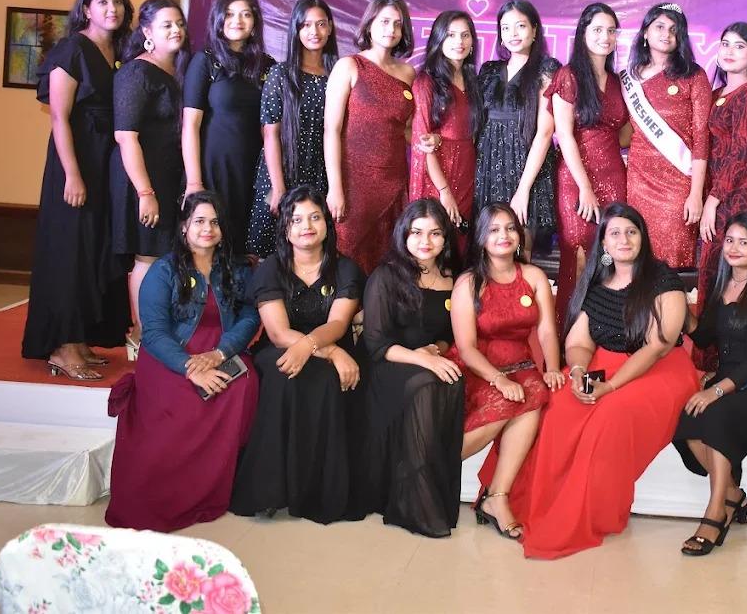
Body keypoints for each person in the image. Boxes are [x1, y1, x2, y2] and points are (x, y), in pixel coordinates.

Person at [509, 203, 699, 559]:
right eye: (615, 233)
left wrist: (609, 387)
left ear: (643, 237)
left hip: (661, 371)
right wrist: (578, 372)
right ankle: (546, 504)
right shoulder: (597, 286)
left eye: (631, 232)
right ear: (604, 244)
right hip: (605, 365)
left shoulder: (663, 280)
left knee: (609, 416)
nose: (624, 239)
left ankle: (593, 514)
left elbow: (657, 346)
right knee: (559, 406)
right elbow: (578, 343)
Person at [105, 191, 260, 532]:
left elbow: (250, 315)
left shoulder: (236, 269)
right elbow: (154, 332)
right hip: (171, 355)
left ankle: (216, 487)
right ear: (184, 226)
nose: (208, 229)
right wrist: (190, 368)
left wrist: (221, 353)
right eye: (200, 221)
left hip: (220, 348)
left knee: (242, 384)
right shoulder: (162, 271)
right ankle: (171, 494)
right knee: (182, 397)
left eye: (215, 222)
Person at [230, 186, 366, 524]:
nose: (306, 226)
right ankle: (270, 490)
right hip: (284, 346)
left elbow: (338, 323)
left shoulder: (346, 269)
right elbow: (277, 333)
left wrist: (316, 346)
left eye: (315, 217)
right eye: (297, 219)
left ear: (327, 224)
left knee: (327, 381)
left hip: (329, 342)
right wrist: (327, 351)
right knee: (283, 376)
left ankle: (319, 491)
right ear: (286, 229)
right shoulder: (271, 269)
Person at [22, 0, 133, 380]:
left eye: (117, 2)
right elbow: (58, 117)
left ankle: (81, 338)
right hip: (76, 160)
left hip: (106, 163)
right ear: (86, 9)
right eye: (102, 2)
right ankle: (62, 346)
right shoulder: (71, 49)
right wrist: (72, 174)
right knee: (70, 251)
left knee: (93, 250)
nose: (112, 9)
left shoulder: (119, 50)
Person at [449, 203, 564, 541]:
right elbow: (466, 348)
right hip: (479, 367)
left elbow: (547, 331)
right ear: (481, 238)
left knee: (536, 393)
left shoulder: (534, 276)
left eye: (510, 228)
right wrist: (498, 379)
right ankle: (438, 462)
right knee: (512, 401)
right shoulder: (468, 283)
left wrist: (552, 368)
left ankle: (497, 496)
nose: (504, 235)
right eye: (495, 229)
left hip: (522, 364)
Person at [673, 211, 747, 556]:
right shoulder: (722, 285)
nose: (733, 248)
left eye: (744, 242)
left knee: (716, 415)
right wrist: (677, 305)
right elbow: (704, 336)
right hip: (728, 377)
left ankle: (716, 511)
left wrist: (715, 390)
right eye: (730, 240)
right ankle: (733, 494)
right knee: (687, 419)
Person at [360, 199, 465, 537]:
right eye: (417, 232)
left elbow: (449, 335)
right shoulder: (386, 276)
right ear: (403, 234)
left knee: (451, 382)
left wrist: (438, 350)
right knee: (427, 383)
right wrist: (424, 358)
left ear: (445, 238)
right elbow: (376, 344)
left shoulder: (452, 278)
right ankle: (415, 498)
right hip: (387, 366)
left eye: (435, 233)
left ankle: (423, 484)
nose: (425, 241)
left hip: (424, 360)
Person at [111, 0, 190, 353]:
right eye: (166, 25)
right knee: (147, 256)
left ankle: (157, 333)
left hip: (169, 179)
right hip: (142, 180)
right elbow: (125, 136)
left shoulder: (178, 72)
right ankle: (142, 336)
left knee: (164, 256)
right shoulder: (137, 73)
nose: (176, 30)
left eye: (179, 24)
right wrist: (145, 192)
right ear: (147, 31)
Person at [547, 3, 628, 327]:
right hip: (575, 180)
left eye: (611, 31)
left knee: (611, 257)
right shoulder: (568, 76)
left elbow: (624, 134)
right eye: (597, 29)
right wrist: (585, 187)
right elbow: (564, 135)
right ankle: (567, 335)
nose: (605, 37)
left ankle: (603, 331)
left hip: (614, 176)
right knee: (578, 256)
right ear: (582, 33)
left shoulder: (618, 82)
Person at [324, 0, 417, 274]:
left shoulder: (408, 73)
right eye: (385, 21)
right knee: (349, 260)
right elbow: (331, 130)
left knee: (391, 260)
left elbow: (407, 129)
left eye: (397, 24)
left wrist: (431, 142)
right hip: (354, 183)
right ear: (369, 24)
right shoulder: (349, 66)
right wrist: (335, 187)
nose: (391, 29)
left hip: (395, 181)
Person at [181, 0, 273, 256]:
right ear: (219, 18)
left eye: (246, 14)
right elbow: (190, 126)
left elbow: (271, 127)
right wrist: (194, 182)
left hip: (252, 170)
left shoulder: (267, 66)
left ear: (255, 21)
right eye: (230, 14)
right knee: (209, 246)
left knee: (245, 250)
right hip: (213, 169)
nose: (237, 21)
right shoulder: (205, 61)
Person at [621, 3, 711, 270]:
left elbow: (701, 137)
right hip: (639, 180)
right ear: (645, 32)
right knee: (638, 259)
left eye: (674, 29)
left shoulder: (693, 76)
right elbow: (623, 131)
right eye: (659, 27)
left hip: (679, 182)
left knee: (673, 260)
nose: (666, 34)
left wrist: (696, 194)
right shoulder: (628, 78)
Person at [246, 0, 338, 257]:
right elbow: (270, 134)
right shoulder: (280, 74)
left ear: (330, 28)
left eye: (321, 24)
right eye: (306, 25)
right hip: (280, 173)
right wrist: (278, 187)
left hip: (320, 174)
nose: (314, 31)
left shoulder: (338, 75)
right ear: (296, 29)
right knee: (266, 252)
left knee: (312, 251)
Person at [473, 0, 561, 251]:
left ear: (534, 30)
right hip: (488, 169)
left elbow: (544, 133)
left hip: (528, 171)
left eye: (520, 26)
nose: (512, 33)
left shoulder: (547, 69)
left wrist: (523, 190)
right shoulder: (489, 70)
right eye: (505, 27)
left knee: (521, 249)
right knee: (488, 251)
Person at [696, 23, 747, 319]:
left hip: (737, 194)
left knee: (731, 265)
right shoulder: (716, 93)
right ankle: (707, 340)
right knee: (711, 267)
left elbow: (742, 150)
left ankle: (728, 339)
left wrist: (713, 200)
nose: (729, 51)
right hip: (716, 192)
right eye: (725, 44)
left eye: (739, 46)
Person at [410, 9, 482, 249]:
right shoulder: (426, 82)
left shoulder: (473, 81)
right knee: (434, 241)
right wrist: (444, 190)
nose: (459, 42)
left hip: (467, 172)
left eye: (465, 35)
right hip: (437, 175)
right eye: (450, 35)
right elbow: (423, 145)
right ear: (438, 39)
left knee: (459, 244)